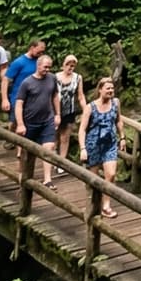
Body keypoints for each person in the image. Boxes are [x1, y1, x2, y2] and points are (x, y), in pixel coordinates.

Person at [12, 54, 59, 183]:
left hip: (47, 120)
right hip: (30, 122)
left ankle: (48, 180)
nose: (47, 70)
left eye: (49, 67)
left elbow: (55, 96)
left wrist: (57, 114)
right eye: (45, 67)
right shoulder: (27, 83)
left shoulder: (52, 79)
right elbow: (19, 104)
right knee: (25, 153)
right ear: (38, 66)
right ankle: (22, 176)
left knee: (48, 148)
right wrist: (20, 124)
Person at [82, 79, 122, 217]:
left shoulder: (116, 103)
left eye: (112, 88)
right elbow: (82, 129)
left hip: (110, 144)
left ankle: (106, 205)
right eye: (107, 89)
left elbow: (118, 120)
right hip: (93, 145)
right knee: (92, 180)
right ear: (100, 90)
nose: (110, 91)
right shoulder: (90, 107)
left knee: (110, 175)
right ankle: (92, 205)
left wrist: (122, 137)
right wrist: (82, 148)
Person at [50, 55, 87, 185]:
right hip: (54, 110)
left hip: (69, 111)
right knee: (53, 137)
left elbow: (80, 96)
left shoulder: (78, 78)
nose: (70, 67)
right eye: (68, 64)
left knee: (65, 137)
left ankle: (61, 163)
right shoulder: (55, 77)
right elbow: (50, 93)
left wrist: (86, 110)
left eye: (73, 65)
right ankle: (52, 159)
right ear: (63, 65)